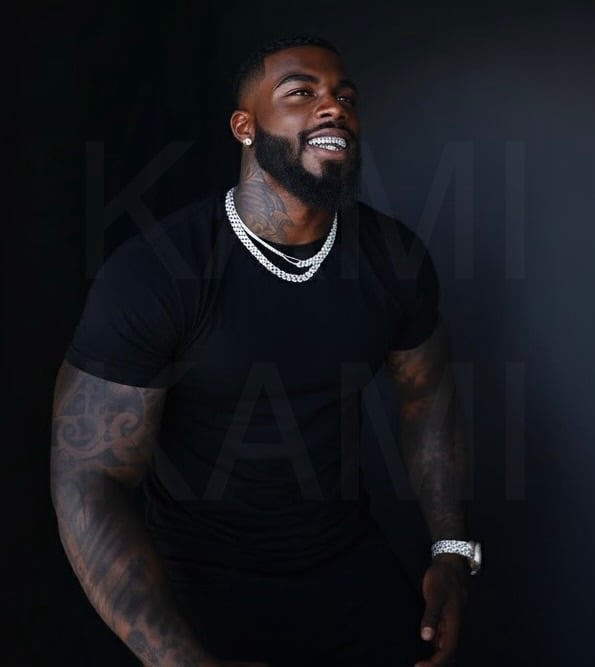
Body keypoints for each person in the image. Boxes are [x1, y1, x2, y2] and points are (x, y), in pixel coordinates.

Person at [50, 35, 480, 667]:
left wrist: (452, 551)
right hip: (195, 582)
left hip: (345, 569)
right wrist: (181, 661)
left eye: (345, 96)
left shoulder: (396, 261)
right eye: (301, 92)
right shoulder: (159, 273)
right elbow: (88, 479)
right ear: (244, 127)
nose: (333, 107)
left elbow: (428, 399)